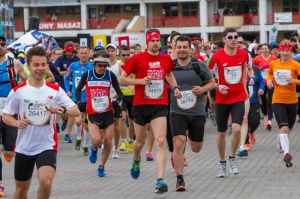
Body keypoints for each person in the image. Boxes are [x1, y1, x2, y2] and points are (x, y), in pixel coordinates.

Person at [2, 46, 80, 199]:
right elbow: (6, 116)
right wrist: (18, 124)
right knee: (21, 189)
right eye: (36, 65)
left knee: (45, 183)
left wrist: (61, 110)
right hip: (24, 147)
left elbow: (75, 111)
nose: (40, 68)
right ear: (29, 66)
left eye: (43, 65)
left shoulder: (54, 90)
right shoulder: (18, 91)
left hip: (47, 145)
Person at [119, 28, 181, 194]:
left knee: (160, 141)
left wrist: (175, 87)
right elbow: (122, 79)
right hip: (140, 104)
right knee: (139, 142)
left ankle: (160, 180)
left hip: (159, 104)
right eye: (152, 40)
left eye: (157, 40)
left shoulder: (166, 58)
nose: (155, 43)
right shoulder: (137, 58)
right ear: (147, 41)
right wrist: (140, 81)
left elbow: (168, 74)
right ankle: (136, 159)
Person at [208, 28, 254, 178]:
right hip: (222, 99)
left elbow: (248, 69)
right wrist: (217, 86)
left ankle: (232, 157)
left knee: (236, 129)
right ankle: (222, 162)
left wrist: (247, 84)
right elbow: (208, 76)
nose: (234, 39)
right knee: (221, 133)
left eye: (236, 37)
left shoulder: (244, 55)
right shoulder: (217, 57)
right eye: (230, 37)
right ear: (224, 40)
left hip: (238, 97)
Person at [171, 35, 214, 191]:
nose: (182, 50)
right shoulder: (170, 67)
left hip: (196, 112)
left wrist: (202, 89)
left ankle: (188, 134)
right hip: (177, 112)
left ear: (190, 49)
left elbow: (212, 83)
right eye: (179, 47)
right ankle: (179, 179)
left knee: (196, 148)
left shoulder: (199, 65)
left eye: (185, 47)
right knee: (178, 143)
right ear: (175, 49)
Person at [76, 50, 123, 177]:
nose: (102, 68)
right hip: (93, 112)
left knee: (108, 141)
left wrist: (117, 102)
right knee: (96, 139)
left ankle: (101, 167)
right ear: (95, 64)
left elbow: (120, 93)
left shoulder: (110, 75)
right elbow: (78, 89)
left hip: (108, 112)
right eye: (100, 65)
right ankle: (94, 148)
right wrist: (80, 102)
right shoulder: (88, 74)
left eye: (105, 65)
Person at [0, 36, 28, 197]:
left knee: (10, 153)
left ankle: (7, 148)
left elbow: (27, 81)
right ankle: (0, 183)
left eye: (2, 44)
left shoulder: (14, 64)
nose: (0, 47)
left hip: (9, 112)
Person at [267, 41, 300, 167]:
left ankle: (280, 139)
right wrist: (269, 81)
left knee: (288, 129)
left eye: (287, 51)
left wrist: (294, 81)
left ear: (291, 52)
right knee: (284, 128)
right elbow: (269, 73)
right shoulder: (274, 63)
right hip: (278, 100)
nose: (285, 53)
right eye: (283, 51)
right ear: (279, 51)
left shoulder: (295, 65)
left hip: (292, 100)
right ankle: (286, 153)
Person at [64, 46, 94, 155]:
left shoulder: (92, 67)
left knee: (86, 124)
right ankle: (78, 137)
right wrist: (68, 90)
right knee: (77, 121)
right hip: (76, 98)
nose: (84, 55)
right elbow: (66, 78)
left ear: (89, 54)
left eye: (86, 53)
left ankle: (85, 146)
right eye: (81, 53)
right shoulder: (73, 66)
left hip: (88, 98)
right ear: (78, 54)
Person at [54, 41, 79, 141]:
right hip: (62, 85)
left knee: (71, 107)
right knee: (62, 107)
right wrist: (68, 72)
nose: (68, 54)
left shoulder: (77, 59)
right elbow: (57, 72)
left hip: (74, 87)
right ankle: (64, 119)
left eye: (70, 51)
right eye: (67, 52)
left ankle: (67, 133)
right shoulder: (61, 59)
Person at [254, 43, 277, 130]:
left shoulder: (274, 58)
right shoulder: (257, 58)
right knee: (263, 100)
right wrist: (261, 68)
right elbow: (255, 69)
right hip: (261, 82)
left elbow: (276, 68)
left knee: (270, 100)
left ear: (269, 50)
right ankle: (266, 116)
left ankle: (270, 121)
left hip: (270, 81)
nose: (264, 50)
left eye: (266, 49)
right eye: (262, 49)